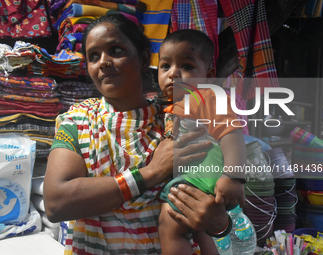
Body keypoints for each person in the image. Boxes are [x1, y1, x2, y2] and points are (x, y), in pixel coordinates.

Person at [43, 14, 232, 255]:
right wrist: (151, 173)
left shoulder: (179, 121)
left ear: (144, 59)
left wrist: (219, 223)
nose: (103, 62)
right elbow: (57, 202)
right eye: (94, 56)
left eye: (116, 50)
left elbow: (203, 196)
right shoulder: (78, 120)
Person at [157, 29, 247, 255]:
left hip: (204, 180)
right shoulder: (175, 104)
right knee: (202, 232)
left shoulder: (207, 97)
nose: (173, 74)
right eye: (165, 66)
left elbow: (232, 135)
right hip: (196, 180)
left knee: (169, 223)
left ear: (209, 73)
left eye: (186, 66)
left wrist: (234, 177)